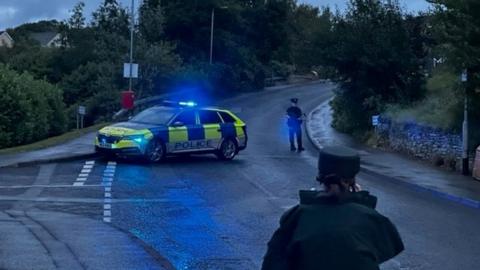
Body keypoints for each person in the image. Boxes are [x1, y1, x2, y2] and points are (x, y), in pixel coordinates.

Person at [262, 146, 404, 270]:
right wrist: (359, 200)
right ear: (352, 180)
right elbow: (381, 250)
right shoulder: (370, 219)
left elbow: (272, 263)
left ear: (320, 177)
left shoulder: (295, 218)